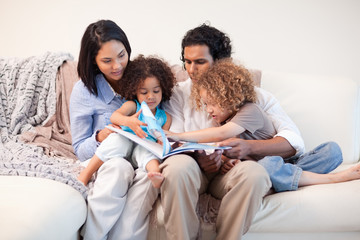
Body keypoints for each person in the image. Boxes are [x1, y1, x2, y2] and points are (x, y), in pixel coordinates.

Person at [160, 23, 343, 240]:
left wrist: (248, 148)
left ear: (221, 63)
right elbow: (175, 142)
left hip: (230, 171)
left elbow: (293, 141)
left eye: (200, 62)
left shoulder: (251, 96)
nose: (191, 70)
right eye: (187, 62)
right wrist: (199, 158)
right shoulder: (178, 94)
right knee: (176, 168)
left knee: (257, 173)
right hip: (193, 168)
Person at [168, 58, 360, 193]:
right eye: (205, 104)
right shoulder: (226, 119)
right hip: (265, 165)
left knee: (332, 150)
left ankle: (329, 178)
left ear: (230, 97)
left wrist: (177, 136)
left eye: (212, 103)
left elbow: (221, 134)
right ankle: (287, 179)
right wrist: (230, 163)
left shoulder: (250, 111)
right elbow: (243, 158)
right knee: (265, 167)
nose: (208, 110)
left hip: (286, 161)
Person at [70, 20, 158, 240]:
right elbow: (80, 148)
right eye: (107, 61)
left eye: (121, 55)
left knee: (149, 174)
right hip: (106, 158)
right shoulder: (83, 91)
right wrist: (102, 135)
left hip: (140, 153)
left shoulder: (141, 78)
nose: (117, 65)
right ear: (94, 61)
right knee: (119, 168)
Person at [78, 55, 175, 189]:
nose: (150, 96)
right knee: (116, 141)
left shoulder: (165, 117)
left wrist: (162, 141)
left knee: (149, 154)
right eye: (144, 92)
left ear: (163, 90)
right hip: (125, 143)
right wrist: (128, 121)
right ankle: (85, 174)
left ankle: (155, 174)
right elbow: (114, 117)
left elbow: (164, 135)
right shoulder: (133, 106)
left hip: (145, 146)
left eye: (156, 91)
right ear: (135, 92)